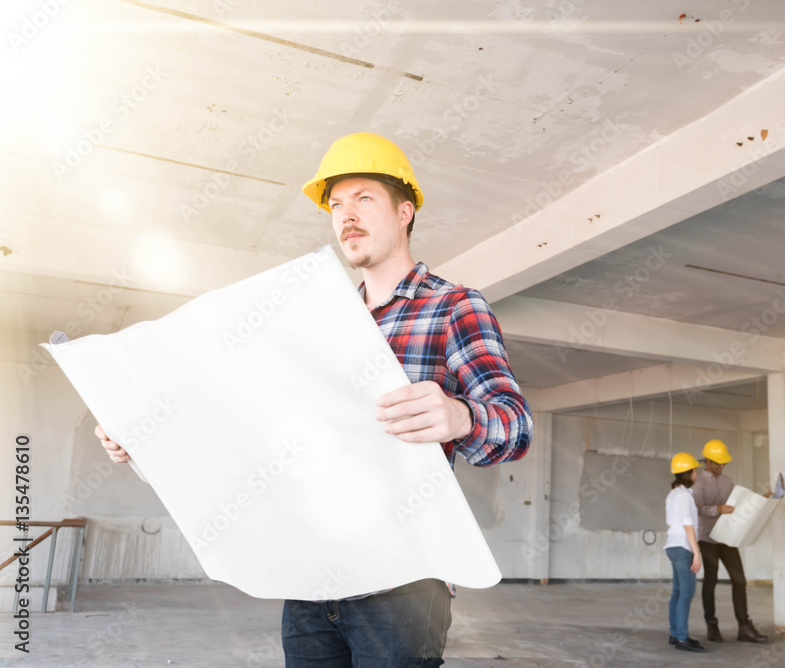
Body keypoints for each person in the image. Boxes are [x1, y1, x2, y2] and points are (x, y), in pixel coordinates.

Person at [96, 131, 533, 666]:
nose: (345, 215)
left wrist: (461, 415)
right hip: (310, 577)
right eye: (336, 205)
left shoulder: (453, 307)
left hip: (402, 586)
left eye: (363, 198)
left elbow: (515, 427)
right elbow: (252, 434)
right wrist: (143, 439)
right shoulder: (316, 324)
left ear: (405, 212)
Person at [691, 439, 768, 644]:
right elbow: (695, 508)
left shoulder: (727, 481)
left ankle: (744, 627)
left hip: (728, 537)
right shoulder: (698, 482)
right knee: (711, 580)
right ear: (707, 460)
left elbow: (739, 504)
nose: (721, 466)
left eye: (723, 463)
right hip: (707, 538)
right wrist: (717, 509)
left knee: (739, 579)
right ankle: (711, 625)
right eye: (717, 463)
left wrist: (761, 499)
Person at [664, 452, 705, 653]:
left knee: (678, 592)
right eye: (695, 470)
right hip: (683, 547)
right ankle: (682, 638)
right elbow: (688, 526)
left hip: (672, 545)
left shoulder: (673, 495)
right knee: (686, 593)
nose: (697, 473)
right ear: (688, 473)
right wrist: (696, 553)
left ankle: (675, 634)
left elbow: (670, 523)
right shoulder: (684, 497)